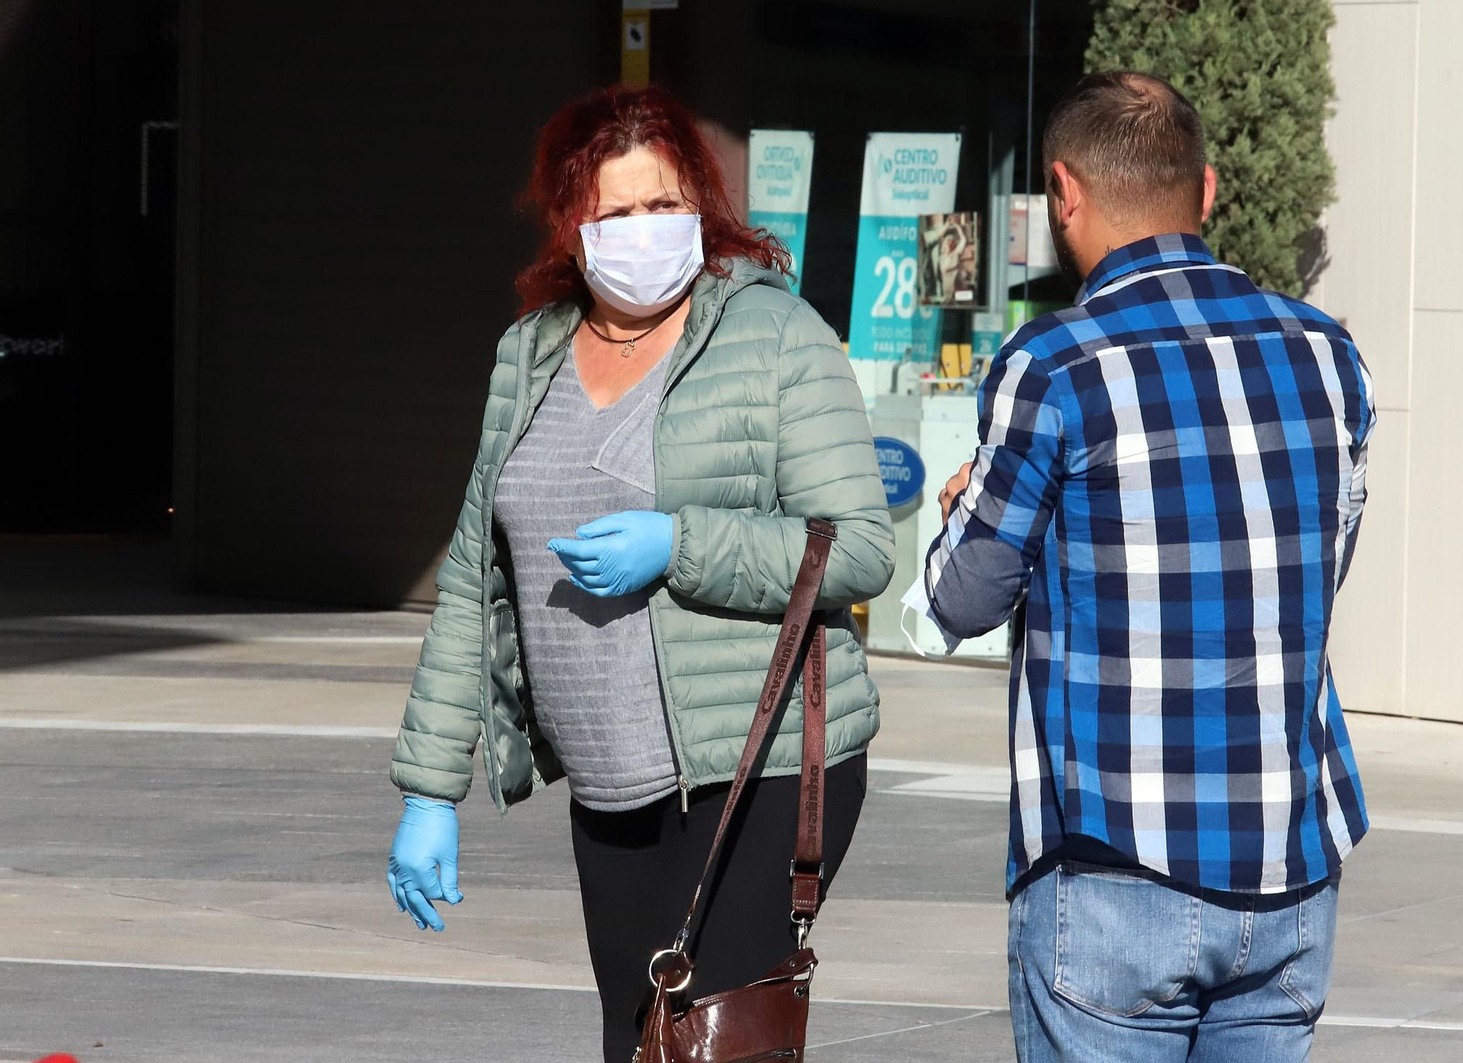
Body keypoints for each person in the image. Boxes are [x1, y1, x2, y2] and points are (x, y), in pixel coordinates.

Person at [384, 85, 894, 1063]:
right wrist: (425, 791)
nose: (644, 229)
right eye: (616, 212)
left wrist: (679, 543)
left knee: (710, 1040)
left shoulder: (775, 337)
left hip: (758, 764)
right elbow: (473, 582)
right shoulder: (526, 356)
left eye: (664, 205)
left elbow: (857, 542)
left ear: (702, 207)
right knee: (640, 1043)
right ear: (572, 230)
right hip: (610, 782)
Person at [920, 72, 1373, 1062]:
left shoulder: (1055, 365)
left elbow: (961, 597)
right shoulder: (1326, 354)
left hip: (1117, 864)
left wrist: (965, 510)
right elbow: (1311, 569)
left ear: (1062, 194)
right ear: (1207, 190)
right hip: (1293, 869)